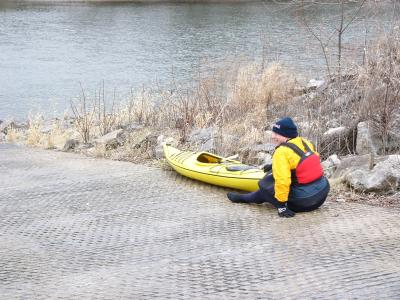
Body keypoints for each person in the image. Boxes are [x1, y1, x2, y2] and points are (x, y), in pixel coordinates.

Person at [227, 117, 330, 218]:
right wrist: (274, 165)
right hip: (321, 195)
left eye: (276, 133)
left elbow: (283, 181)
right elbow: (303, 163)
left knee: (266, 185)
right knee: (282, 176)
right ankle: (247, 197)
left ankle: (243, 198)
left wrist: (281, 206)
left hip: (304, 202)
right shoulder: (305, 142)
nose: (273, 136)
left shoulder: (281, 151)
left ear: (286, 136)